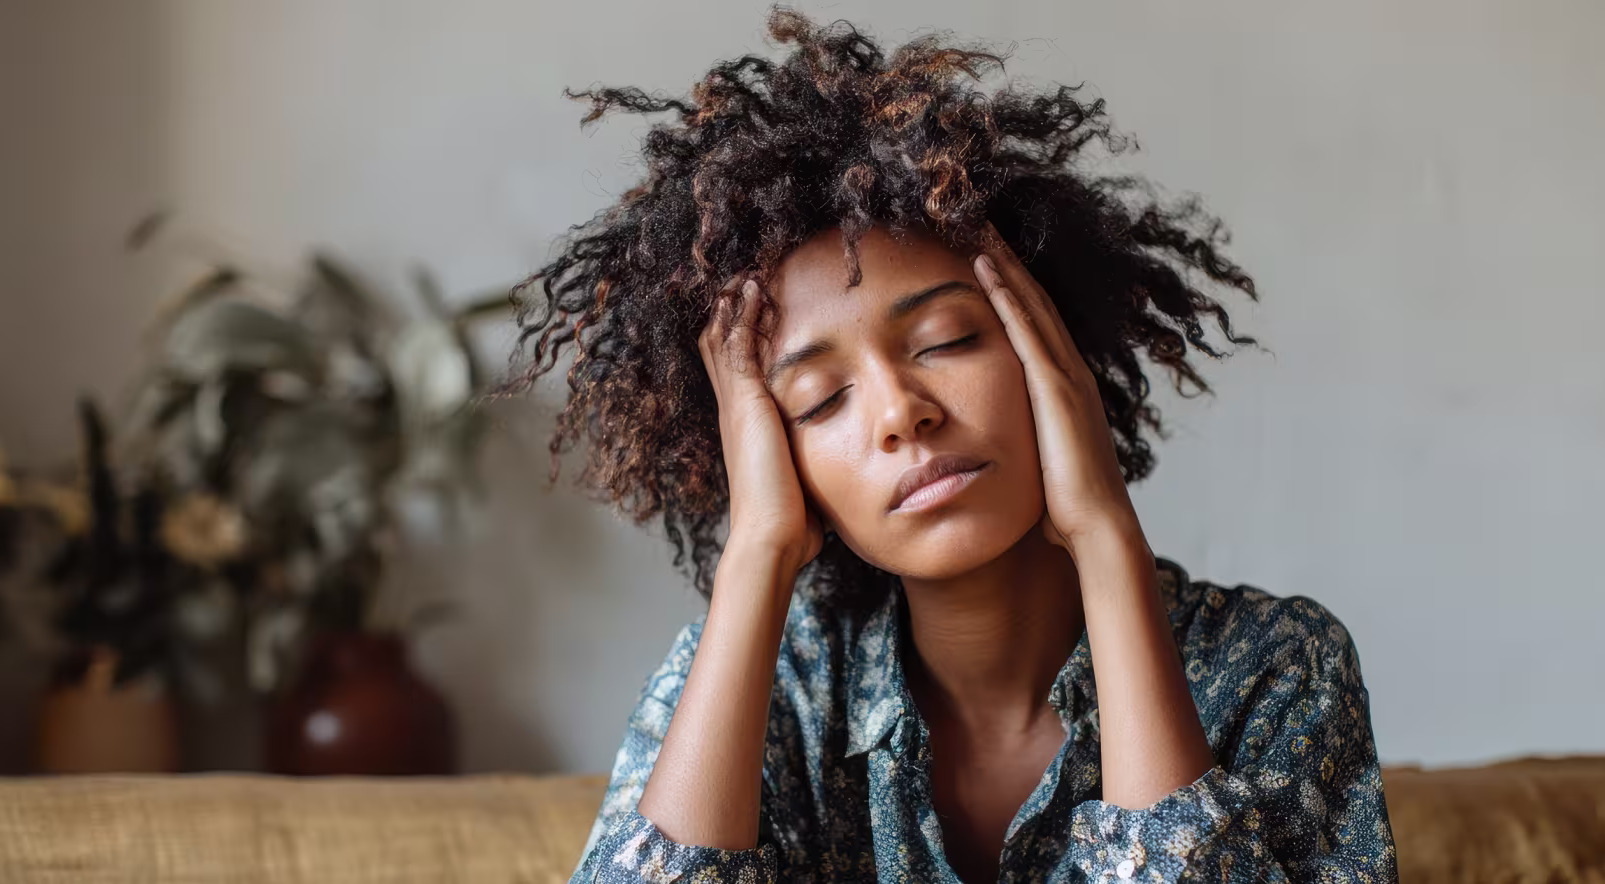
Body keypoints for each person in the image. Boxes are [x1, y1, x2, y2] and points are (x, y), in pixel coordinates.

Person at [506, 8, 1394, 882]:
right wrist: (756, 555)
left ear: (1058, 351)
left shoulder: (1276, 669)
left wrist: (1106, 541)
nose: (901, 412)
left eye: (946, 341)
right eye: (818, 401)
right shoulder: (774, 692)